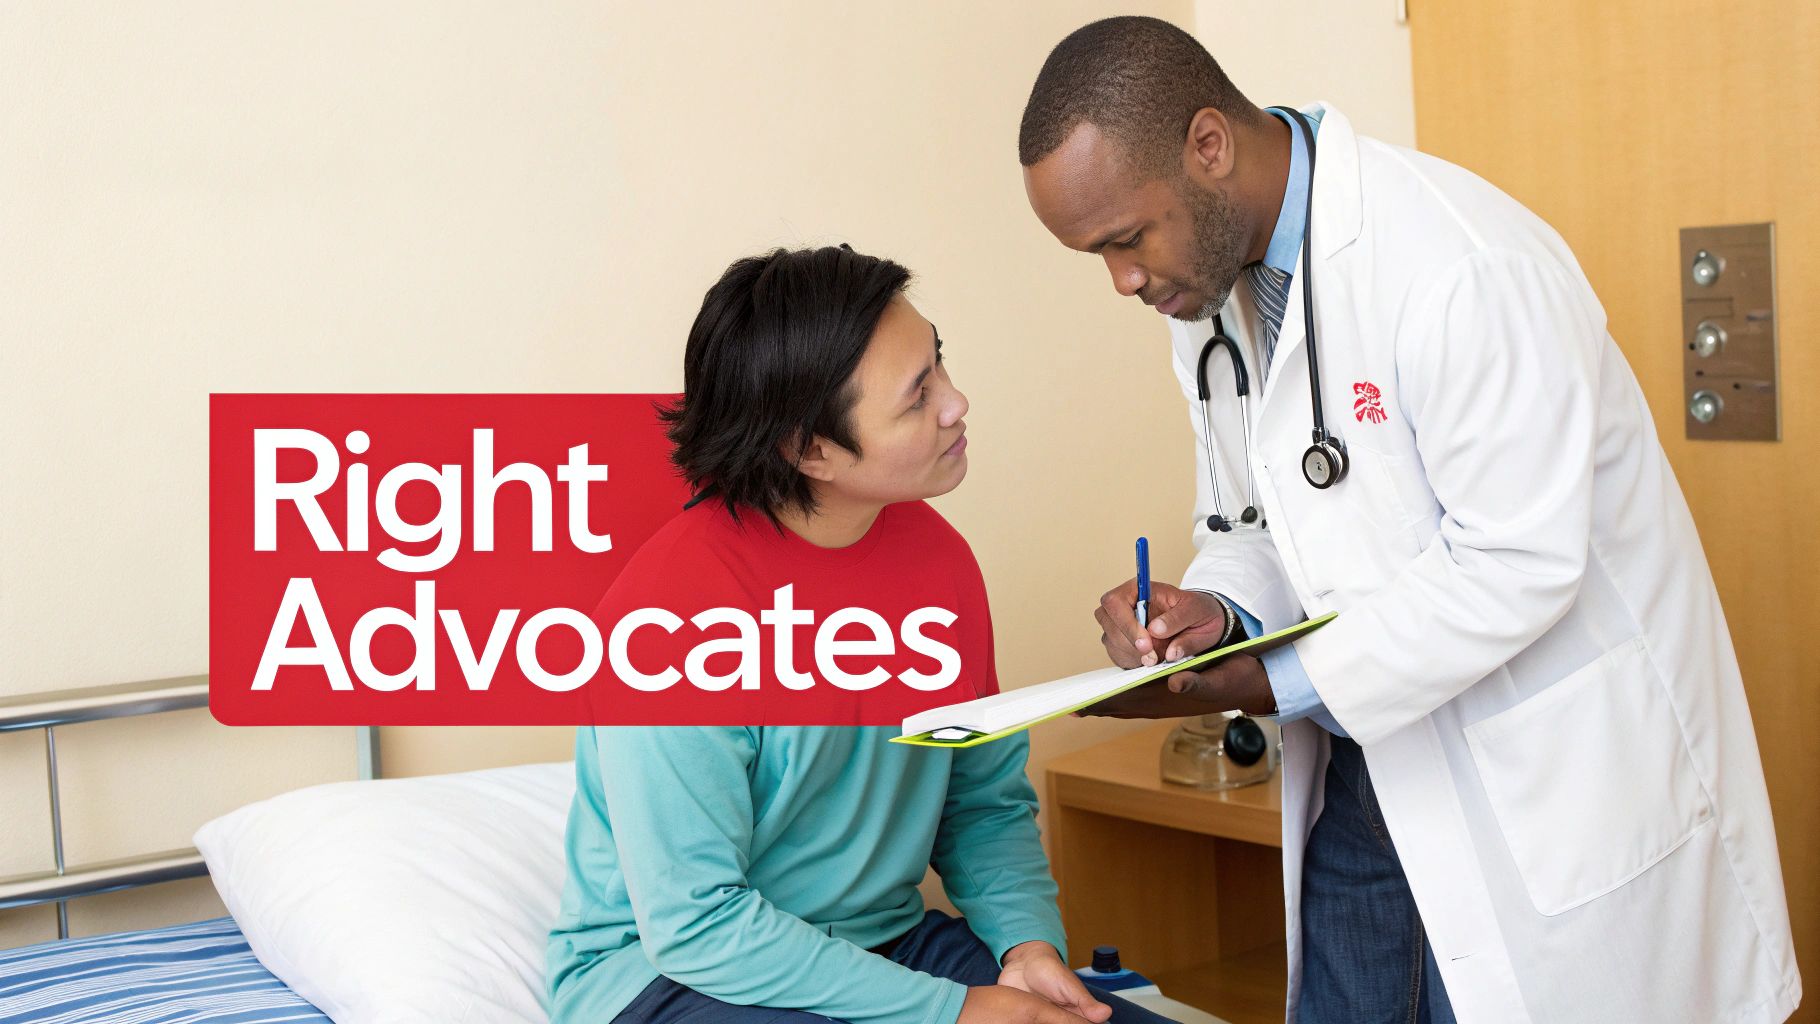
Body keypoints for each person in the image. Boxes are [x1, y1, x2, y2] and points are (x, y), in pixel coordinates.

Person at [1017, 16, 1798, 1024]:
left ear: (1207, 145)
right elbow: (1255, 520)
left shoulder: (1458, 264)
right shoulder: (1205, 298)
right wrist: (1214, 615)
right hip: (1368, 776)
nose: (1122, 279)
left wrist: (1274, 680)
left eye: (1127, 239)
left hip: (1547, 783)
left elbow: (1516, 561)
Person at [546, 245, 1175, 1024]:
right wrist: (951, 1011)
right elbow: (696, 924)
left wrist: (1026, 946)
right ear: (808, 448)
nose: (957, 403)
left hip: (887, 944)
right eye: (917, 398)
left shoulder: (938, 561)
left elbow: (979, 803)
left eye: (939, 364)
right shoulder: (673, 616)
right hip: (670, 977)